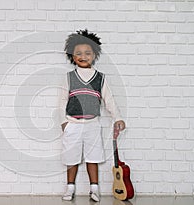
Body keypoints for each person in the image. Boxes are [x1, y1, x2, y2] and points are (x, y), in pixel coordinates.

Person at [60, 29, 126, 202]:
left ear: (94, 55)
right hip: (72, 123)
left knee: (93, 157)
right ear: (72, 56)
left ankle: (94, 189)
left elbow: (109, 100)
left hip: (93, 124)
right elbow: (61, 102)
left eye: (88, 53)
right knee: (71, 158)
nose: (83, 56)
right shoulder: (68, 77)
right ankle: (70, 187)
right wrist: (63, 123)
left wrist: (117, 117)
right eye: (78, 53)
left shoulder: (100, 78)